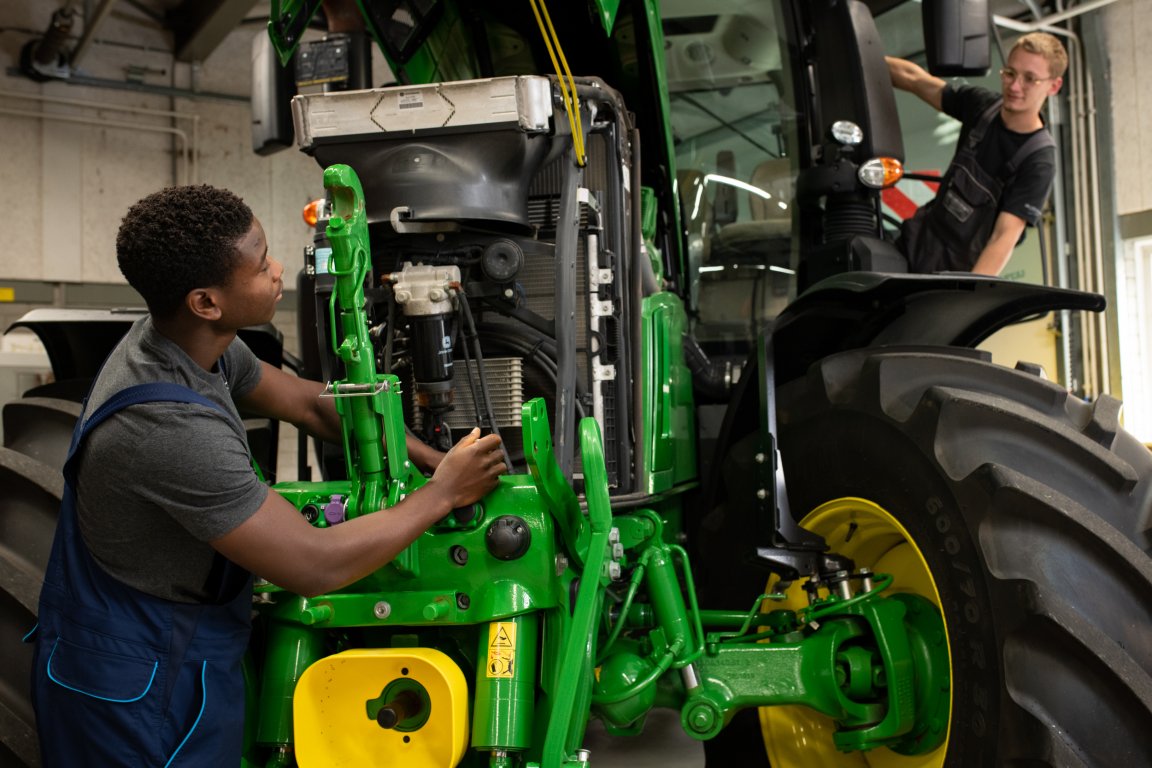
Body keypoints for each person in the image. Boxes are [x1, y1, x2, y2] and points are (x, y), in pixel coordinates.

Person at [29, 184, 507, 766]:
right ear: (207, 302)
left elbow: (308, 404)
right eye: (260, 266)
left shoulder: (192, 344)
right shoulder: (166, 428)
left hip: (178, 643)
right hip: (140, 683)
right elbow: (313, 564)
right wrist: (443, 495)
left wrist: (419, 453)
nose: (278, 269)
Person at [887, 32, 1067, 275]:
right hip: (912, 242)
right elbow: (915, 79)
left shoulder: (1038, 161)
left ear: (1053, 86)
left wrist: (968, 297)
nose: (1014, 86)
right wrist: (861, 56)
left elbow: (1004, 237)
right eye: (1010, 73)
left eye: (1029, 79)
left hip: (949, 279)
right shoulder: (982, 107)